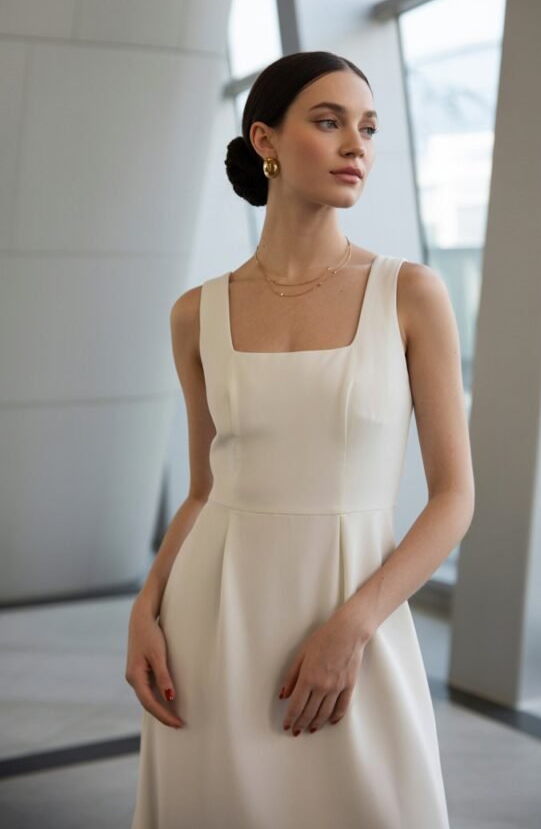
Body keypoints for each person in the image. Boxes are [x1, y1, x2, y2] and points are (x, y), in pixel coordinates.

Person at [127, 50, 475, 827]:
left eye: (370, 128)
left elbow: (455, 497)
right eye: (329, 122)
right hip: (210, 625)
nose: (358, 145)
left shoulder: (410, 292)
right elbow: (205, 490)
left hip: (356, 616)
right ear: (266, 141)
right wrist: (145, 610)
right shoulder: (197, 313)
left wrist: (351, 628)